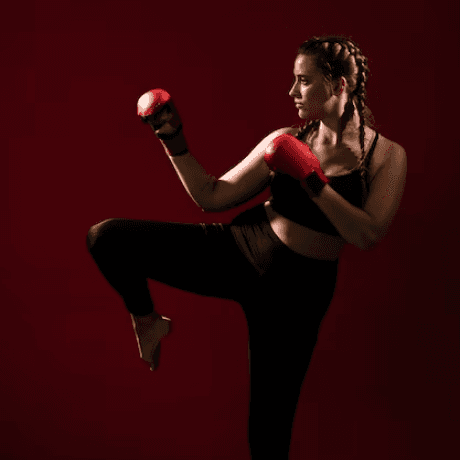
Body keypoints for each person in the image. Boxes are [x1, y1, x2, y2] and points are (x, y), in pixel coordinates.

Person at [86, 35, 407, 459]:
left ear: (340, 84)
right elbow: (212, 195)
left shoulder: (386, 156)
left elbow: (367, 234)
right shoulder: (288, 136)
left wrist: (313, 181)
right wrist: (172, 137)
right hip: (243, 249)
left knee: (268, 435)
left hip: (297, 296)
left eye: (303, 81)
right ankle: (147, 321)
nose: (292, 92)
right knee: (107, 237)